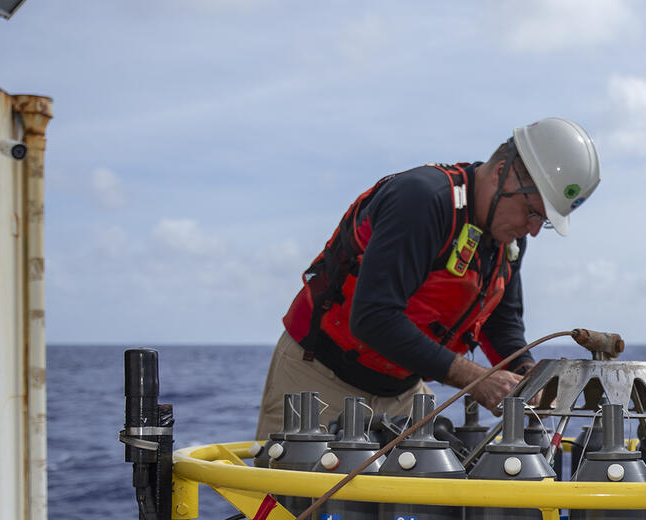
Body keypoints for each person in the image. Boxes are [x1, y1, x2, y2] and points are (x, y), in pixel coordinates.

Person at [255, 117, 600, 439]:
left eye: (546, 222)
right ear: (501, 174)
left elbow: (502, 323)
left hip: (402, 395)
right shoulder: (421, 200)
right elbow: (373, 318)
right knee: (287, 504)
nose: (534, 231)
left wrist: (527, 374)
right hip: (317, 380)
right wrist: (477, 380)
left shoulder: (509, 238)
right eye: (534, 212)